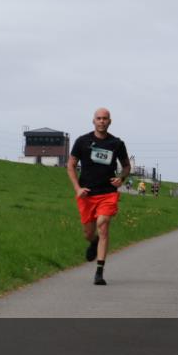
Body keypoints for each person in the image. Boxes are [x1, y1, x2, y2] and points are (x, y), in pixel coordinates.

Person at [67, 108, 131, 286]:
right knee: (88, 233)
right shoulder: (82, 141)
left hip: (107, 193)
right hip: (87, 194)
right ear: (93, 121)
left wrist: (121, 178)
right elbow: (71, 165)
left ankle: (99, 273)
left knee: (103, 224)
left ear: (110, 121)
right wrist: (77, 188)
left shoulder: (116, 143)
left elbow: (126, 166)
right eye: (99, 118)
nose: (102, 121)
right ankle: (93, 242)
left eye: (105, 118)